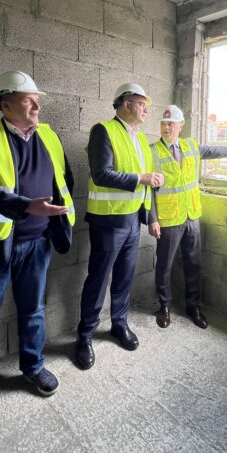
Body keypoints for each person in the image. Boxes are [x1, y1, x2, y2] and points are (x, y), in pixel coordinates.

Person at [0, 71, 75, 425]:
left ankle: (33, 366)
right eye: (28, 99)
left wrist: (53, 217)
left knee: (34, 310)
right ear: (5, 104)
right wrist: (24, 205)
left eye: (38, 98)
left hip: (37, 244)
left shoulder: (49, 135)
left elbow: (65, 177)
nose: (37, 105)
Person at [75, 83, 164, 370]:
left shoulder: (139, 139)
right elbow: (102, 175)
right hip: (108, 220)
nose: (146, 109)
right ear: (126, 104)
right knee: (99, 278)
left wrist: (150, 215)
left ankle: (118, 324)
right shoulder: (103, 130)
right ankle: (85, 335)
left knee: (125, 277)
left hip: (132, 220)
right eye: (142, 103)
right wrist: (142, 178)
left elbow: (145, 182)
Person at [148, 105, 227, 329]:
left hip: (191, 217)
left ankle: (192, 306)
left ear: (181, 126)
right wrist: (152, 218)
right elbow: (148, 190)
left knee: (193, 264)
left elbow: (215, 151)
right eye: (163, 123)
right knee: (164, 266)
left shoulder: (190, 146)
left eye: (170, 123)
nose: (166, 127)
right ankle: (165, 306)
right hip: (168, 219)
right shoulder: (152, 151)